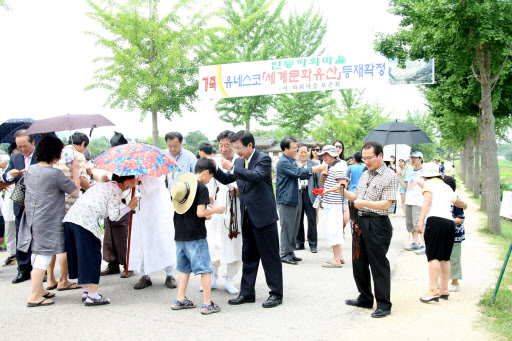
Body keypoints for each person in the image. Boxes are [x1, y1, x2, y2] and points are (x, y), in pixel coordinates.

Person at [214, 130, 283, 308]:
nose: (236, 151)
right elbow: (230, 178)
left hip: (264, 216)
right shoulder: (238, 161)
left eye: (239, 148)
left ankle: (276, 294)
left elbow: (254, 176)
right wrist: (213, 170)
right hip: (246, 216)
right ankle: (247, 293)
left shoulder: (263, 159)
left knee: (270, 257)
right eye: (234, 148)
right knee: (249, 256)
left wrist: (231, 167)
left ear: (250, 145)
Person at [17, 135, 81, 307]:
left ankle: (40, 290)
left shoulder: (31, 170)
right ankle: (33, 296)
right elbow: (74, 190)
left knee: (38, 255)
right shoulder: (55, 174)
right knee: (43, 257)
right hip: (49, 221)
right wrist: (75, 170)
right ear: (55, 153)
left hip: (32, 219)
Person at [63, 174, 138, 306]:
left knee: (83, 257)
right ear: (126, 182)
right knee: (92, 257)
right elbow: (114, 217)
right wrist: (129, 207)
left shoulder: (104, 185)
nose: (137, 182)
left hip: (72, 219)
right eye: (135, 180)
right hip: (86, 223)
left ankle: (87, 291)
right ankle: (92, 295)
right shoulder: (116, 191)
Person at [342, 141, 399, 318]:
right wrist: (342, 190)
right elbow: (356, 195)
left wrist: (364, 204)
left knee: (378, 264)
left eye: (369, 158)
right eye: (364, 158)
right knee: (359, 261)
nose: (366, 161)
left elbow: (387, 204)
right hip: (361, 222)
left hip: (378, 223)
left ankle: (383, 304)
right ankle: (365, 297)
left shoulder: (390, 176)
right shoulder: (366, 174)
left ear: (380, 156)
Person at [171, 158, 224, 314]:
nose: (209, 181)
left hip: (180, 233)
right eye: (211, 177)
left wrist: (205, 214)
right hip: (195, 234)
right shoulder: (201, 188)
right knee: (205, 269)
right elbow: (200, 212)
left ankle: (180, 299)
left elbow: (188, 210)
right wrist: (216, 210)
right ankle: (207, 304)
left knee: (184, 269)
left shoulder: (182, 185)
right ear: (206, 173)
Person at [415, 164, 467, 303]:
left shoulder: (429, 184)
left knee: (433, 256)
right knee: (444, 257)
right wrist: (465, 205)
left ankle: (433, 289)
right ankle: (444, 289)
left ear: (425, 176)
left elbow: (427, 201)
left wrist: (420, 221)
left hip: (435, 220)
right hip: (449, 223)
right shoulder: (447, 187)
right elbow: (459, 202)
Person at [46, 132, 91, 291]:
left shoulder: (55, 154)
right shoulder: (78, 157)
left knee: (51, 244)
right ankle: (63, 280)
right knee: (65, 244)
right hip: (70, 206)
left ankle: (50, 278)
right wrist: (93, 187)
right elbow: (83, 183)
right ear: (83, 144)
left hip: (52, 204)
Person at [202, 130, 243, 295]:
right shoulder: (214, 161)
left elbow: (248, 182)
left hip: (235, 211)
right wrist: (208, 195)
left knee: (235, 243)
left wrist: (240, 190)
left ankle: (230, 279)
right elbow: (207, 182)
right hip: (217, 208)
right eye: (221, 145)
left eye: (227, 145)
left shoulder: (241, 161)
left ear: (234, 145)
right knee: (213, 243)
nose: (224, 149)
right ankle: (212, 278)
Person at [276, 138, 326, 265]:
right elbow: (298, 172)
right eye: (293, 148)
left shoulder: (291, 160)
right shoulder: (283, 162)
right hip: (286, 199)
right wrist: (315, 169)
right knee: (287, 227)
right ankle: (284, 254)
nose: (295, 150)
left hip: (294, 196)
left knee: (294, 227)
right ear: (286, 149)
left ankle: (290, 252)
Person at [2, 129, 38, 284]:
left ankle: (39, 270)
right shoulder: (16, 157)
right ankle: (23, 269)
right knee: (20, 236)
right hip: (21, 202)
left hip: (38, 202)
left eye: (25, 146)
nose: (22, 149)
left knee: (38, 237)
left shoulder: (41, 156)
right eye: (19, 146)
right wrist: (11, 175)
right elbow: (6, 175)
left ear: (33, 142)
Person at [129, 175, 177, 290]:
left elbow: (157, 181)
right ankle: (144, 275)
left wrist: (138, 181)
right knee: (141, 240)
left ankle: (170, 275)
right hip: (140, 206)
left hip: (159, 206)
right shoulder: (133, 164)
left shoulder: (155, 162)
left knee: (163, 239)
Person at [101, 132, 133, 278]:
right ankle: (112, 263)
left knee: (123, 232)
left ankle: (128, 264)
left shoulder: (132, 160)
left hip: (127, 197)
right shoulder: (113, 160)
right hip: (113, 196)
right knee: (110, 233)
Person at [318, 145, 348, 268]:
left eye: (326, 155)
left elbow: (342, 185)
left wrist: (327, 191)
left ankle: (336, 259)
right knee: (334, 229)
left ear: (334, 155)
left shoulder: (339, 166)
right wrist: (322, 176)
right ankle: (339, 256)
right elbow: (323, 183)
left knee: (333, 230)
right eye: (322, 155)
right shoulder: (331, 166)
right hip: (331, 203)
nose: (324, 157)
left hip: (335, 204)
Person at [396, 151, 426, 255]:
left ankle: (424, 244)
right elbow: (406, 186)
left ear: (420, 159)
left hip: (419, 201)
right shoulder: (411, 172)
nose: (412, 160)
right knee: (410, 223)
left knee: (419, 223)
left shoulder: (424, 172)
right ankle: (416, 242)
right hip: (409, 200)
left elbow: (427, 188)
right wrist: (399, 176)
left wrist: (418, 182)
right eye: (411, 158)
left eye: (415, 158)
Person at [295, 144, 322, 253]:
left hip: (310, 193)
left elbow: (319, 181)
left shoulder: (314, 164)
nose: (303, 154)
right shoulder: (293, 164)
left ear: (308, 152)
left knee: (312, 220)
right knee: (298, 219)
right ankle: (299, 242)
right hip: (297, 193)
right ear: (297, 153)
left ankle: (313, 244)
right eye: (301, 152)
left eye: (305, 152)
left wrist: (319, 194)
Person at [443, 176, 465, 292]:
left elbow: (461, 218)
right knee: (442, 257)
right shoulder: (440, 199)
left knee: (454, 258)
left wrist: (448, 222)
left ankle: (455, 282)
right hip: (443, 233)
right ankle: (443, 281)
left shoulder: (456, 200)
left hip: (455, 234)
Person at [1, 143, 18, 267]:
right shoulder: (11, 163)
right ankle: (12, 254)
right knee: (10, 226)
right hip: (10, 198)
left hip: (24, 200)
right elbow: (5, 178)